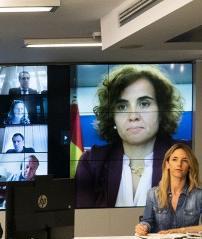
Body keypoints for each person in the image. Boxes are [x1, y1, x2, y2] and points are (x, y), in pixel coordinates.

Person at [76, 65, 187, 208]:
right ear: (112, 116)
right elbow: (83, 224)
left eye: (144, 104)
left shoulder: (190, 154)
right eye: (122, 107)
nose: (133, 116)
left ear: (161, 111)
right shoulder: (92, 162)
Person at [135, 144, 202, 235]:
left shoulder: (199, 195)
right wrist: (143, 227)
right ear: (167, 164)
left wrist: (181, 231)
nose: (179, 164)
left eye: (185, 160)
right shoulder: (153, 193)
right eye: (174, 159)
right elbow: (147, 222)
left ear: (190, 166)